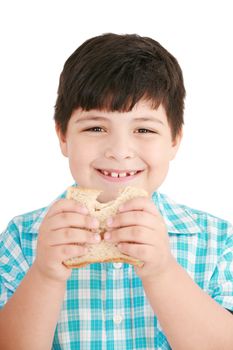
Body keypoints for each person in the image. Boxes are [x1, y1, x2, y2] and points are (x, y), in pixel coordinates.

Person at [0, 33, 233, 350]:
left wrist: (162, 271)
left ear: (175, 140)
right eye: (96, 128)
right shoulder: (23, 238)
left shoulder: (215, 240)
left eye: (144, 130)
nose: (120, 151)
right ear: (63, 136)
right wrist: (45, 274)